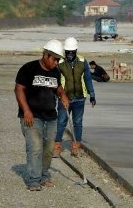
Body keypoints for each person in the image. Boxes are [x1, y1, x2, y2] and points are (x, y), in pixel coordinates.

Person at [14, 39, 69, 191]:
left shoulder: (56, 71)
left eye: (58, 60)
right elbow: (19, 89)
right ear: (46, 55)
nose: (57, 63)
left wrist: (62, 95)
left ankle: (44, 176)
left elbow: (57, 87)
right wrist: (26, 111)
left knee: (49, 148)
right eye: (55, 59)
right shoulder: (28, 68)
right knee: (35, 147)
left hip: (51, 116)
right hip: (32, 116)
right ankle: (33, 180)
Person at [53, 37, 96, 158]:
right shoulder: (60, 63)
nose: (70, 54)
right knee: (61, 122)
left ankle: (76, 147)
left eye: (72, 52)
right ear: (65, 51)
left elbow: (88, 79)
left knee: (78, 123)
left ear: (76, 50)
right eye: (68, 52)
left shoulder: (83, 61)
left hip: (80, 99)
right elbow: (56, 81)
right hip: (64, 99)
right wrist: (56, 96)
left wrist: (92, 95)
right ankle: (57, 147)